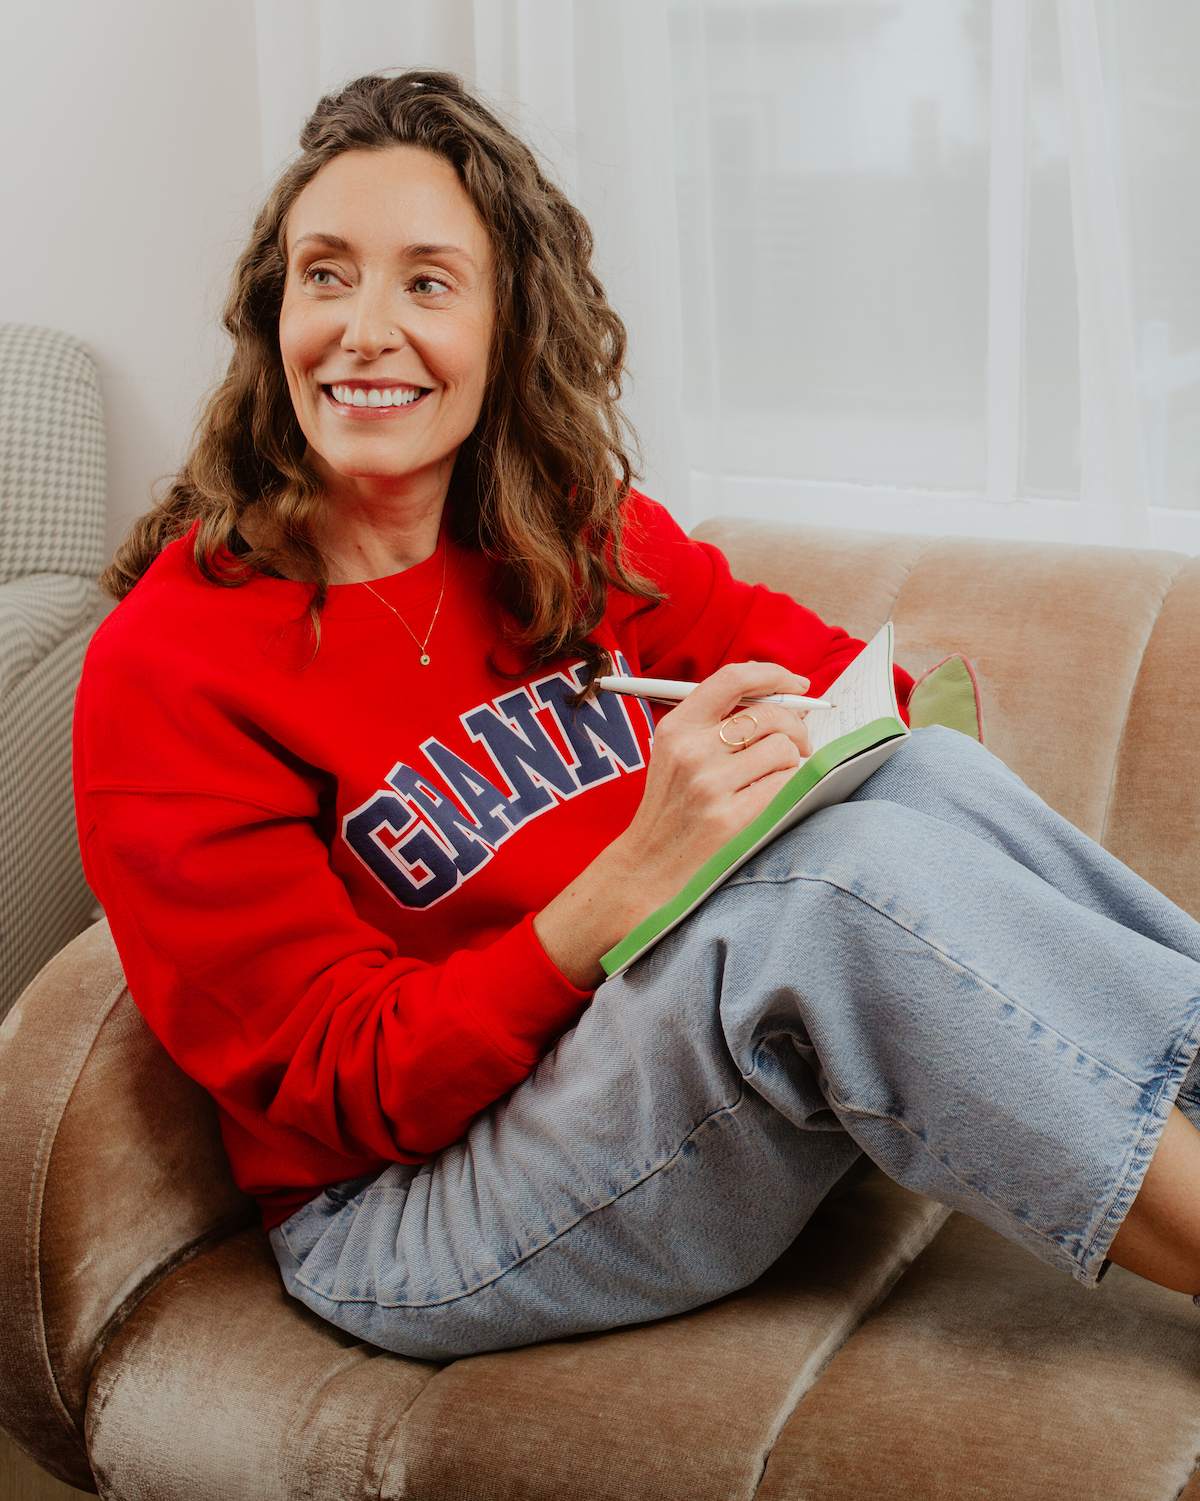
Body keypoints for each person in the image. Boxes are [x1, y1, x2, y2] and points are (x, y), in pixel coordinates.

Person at [73, 68, 1200, 1365]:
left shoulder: (557, 529)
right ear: (276, 308)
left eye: (428, 283)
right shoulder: (170, 665)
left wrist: (789, 770)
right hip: (407, 1213)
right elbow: (350, 1083)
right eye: (326, 274)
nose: (365, 330)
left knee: (917, 779)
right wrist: (634, 880)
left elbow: (850, 683)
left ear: (507, 322)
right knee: (823, 898)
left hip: (630, 1064)